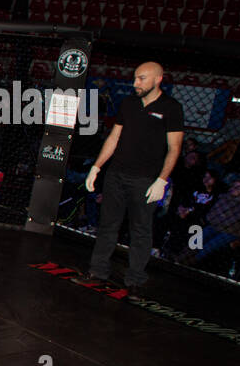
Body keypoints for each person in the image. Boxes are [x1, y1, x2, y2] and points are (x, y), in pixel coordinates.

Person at [75, 62, 185, 299]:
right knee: (107, 226)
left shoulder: (171, 107)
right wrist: (97, 166)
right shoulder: (129, 103)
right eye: (135, 78)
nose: (135, 83)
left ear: (158, 79)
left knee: (141, 230)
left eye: (141, 79)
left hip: (145, 179)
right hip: (116, 174)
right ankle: (97, 272)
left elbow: (174, 148)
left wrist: (162, 180)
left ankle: (135, 281)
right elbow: (114, 137)